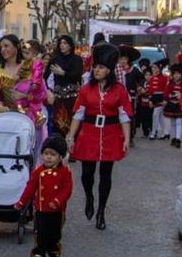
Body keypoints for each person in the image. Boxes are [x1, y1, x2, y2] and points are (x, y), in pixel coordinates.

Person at [66, 43, 132, 230]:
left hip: (111, 134)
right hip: (89, 132)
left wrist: (126, 138)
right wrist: (71, 136)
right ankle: (89, 198)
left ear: (109, 70)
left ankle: (101, 210)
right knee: (87, 174)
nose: (97, 70)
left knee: (106, 174)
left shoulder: (119, 90)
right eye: (95, 66)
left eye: (101, 67)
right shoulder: (86, 89)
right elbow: (78, 113)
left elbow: (124, 115)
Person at [14, 134, 73, 257]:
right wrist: (21, 202)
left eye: (53, 154)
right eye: (46, 153)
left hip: (57, 210)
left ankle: (53, 249)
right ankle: (39, 254)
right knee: (40, 232)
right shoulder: (38, 172)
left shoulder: (64, 172)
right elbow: (30, 188)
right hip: (41, 209)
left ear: (60, 157)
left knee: (54, 233)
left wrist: (58, 201)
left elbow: (67, 190)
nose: (48, 157)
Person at [0, 34, 46, 129]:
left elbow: (42, 94)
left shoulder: (32, 66)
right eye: (1, 47)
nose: (2, 50)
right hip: (6, 117)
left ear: (17, 47)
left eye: (6, 46)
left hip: (30, 119)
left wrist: (24, 96)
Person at [46, 35, 83, 139]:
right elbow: (45, 77)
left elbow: (77, 75)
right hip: (58, 99)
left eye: (65, 43)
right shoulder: (54, 59)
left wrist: (63, 73)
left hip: (73, 98)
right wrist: (49, 92)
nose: (62, 45)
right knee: (58, 125)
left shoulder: (77, 59)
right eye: (60, 43)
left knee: (74, 124)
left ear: (70, 46)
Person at [117, 46, 144, 148]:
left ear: (128, 60)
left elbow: (141, 79)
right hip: (117, 97)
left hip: (130, 96)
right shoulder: (116, 70)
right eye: (120, 59)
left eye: (124, 59)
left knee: (129, 116)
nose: (122, 61)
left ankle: (130, 136)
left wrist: (140, 86)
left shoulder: (134, 70)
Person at [163, 64, 182, 148]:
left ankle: (178, 139)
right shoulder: (170, 84)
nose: (176, 75)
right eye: (175, 74)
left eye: (178, 73)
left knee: (179, 122)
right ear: (172, 75)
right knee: (172, 122)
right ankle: (173, 138)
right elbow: (166, 93)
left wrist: (180, 95)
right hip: (171, 104)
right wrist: (168, 97)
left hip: (179, 105)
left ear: (181, 74)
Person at [147, 61, 169, 140]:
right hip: (154, 99)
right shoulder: (151, 78)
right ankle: (165, 133)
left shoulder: (164, 78)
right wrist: (150, 100)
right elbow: (150, 90)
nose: (153, 69)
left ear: (159, 69)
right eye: (152, 67)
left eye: (155, 68)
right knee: (160, 117)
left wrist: (165, 100)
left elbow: (166, 90)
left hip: (161, 99)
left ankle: (153, 133)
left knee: (155, 115)